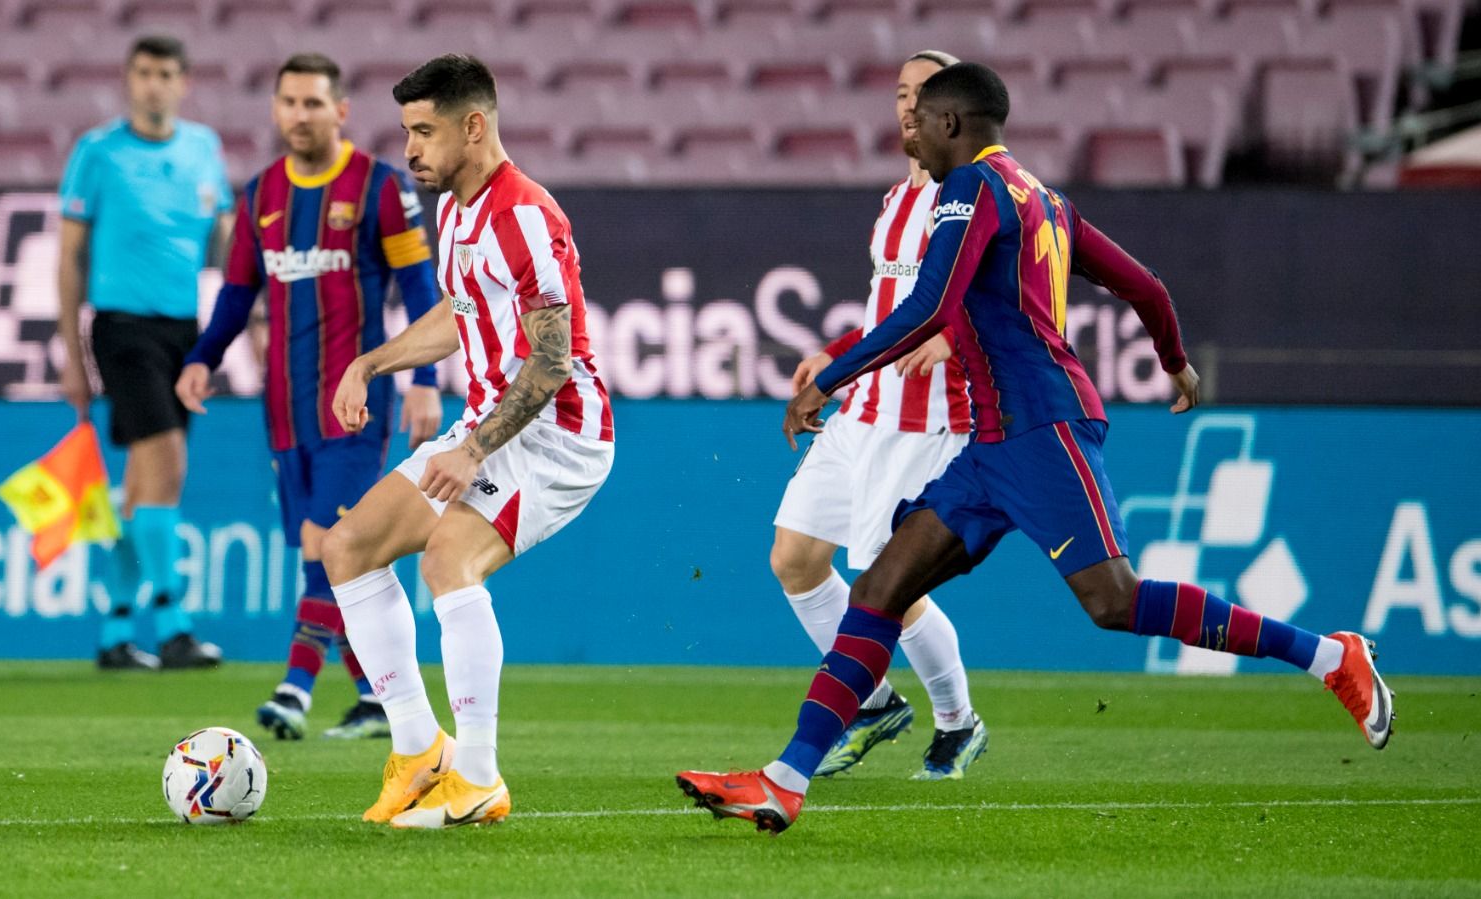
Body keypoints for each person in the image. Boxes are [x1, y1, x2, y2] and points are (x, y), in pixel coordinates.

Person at [676, 62, 1395, 834]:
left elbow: (929, 306)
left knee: (1113, 601)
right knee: (880, 587)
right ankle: (784, 780)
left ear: (955, 124)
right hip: (988, 443)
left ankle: (1331, 654)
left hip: (1043, 428)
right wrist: (1174, 359)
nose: (906, 127)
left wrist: (833, 374)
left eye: (920, 117)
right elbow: (1146, 287)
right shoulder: (1046, 202)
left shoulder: (972, 190)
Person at [320, 54, 614, 830]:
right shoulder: (455, 209)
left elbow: (552, 363)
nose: (411, 148)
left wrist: (474, 450)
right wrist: (372, 360)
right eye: (407, 131)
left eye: (425, 130)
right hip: (484, 425)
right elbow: (464, 312)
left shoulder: (526, 214)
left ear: (474, 125)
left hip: (560, 436)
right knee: (347, 547)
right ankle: (420, 753)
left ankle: (478, 778)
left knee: (447, 556)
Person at [174, 53, 444, 740]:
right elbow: (238, 295)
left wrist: (423, 381)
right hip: (285, 411)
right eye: (289, 102)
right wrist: (203, 359)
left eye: (314, 103)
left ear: (341, 111)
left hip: (354, 407)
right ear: (275, 109)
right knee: (320, 553)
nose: (300, 114)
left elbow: (421, 294)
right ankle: (376, 697)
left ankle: (294, 688)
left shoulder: (380, 188)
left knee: (331, 545)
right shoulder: (261, 194)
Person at [772, 50, 985, 781]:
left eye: (921, 93)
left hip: (927, 420)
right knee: (795, 559)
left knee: (889, 583)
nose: (906, 105)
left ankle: (958, 722)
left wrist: (952, 335)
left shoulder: (977, 194)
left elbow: (1021, 295)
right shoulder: (898, 199)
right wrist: (831, 359)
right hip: (864, 407)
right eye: (899, 92)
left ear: (953, 108)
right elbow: (887, 312)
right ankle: (876, 704)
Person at [57, 34, 227, 670]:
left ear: (184, 82)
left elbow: (229, 241)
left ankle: (115, 629)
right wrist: (72, 355)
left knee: (142, 487)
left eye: (166, 73)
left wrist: (242, 324)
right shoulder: (98, 152)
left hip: (183, 330)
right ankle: (174, 622)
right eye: (144, 73)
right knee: (167, 460)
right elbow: (69, 258)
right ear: (129, 80)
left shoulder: (203, 149)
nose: (154, 84)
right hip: (122, 327)